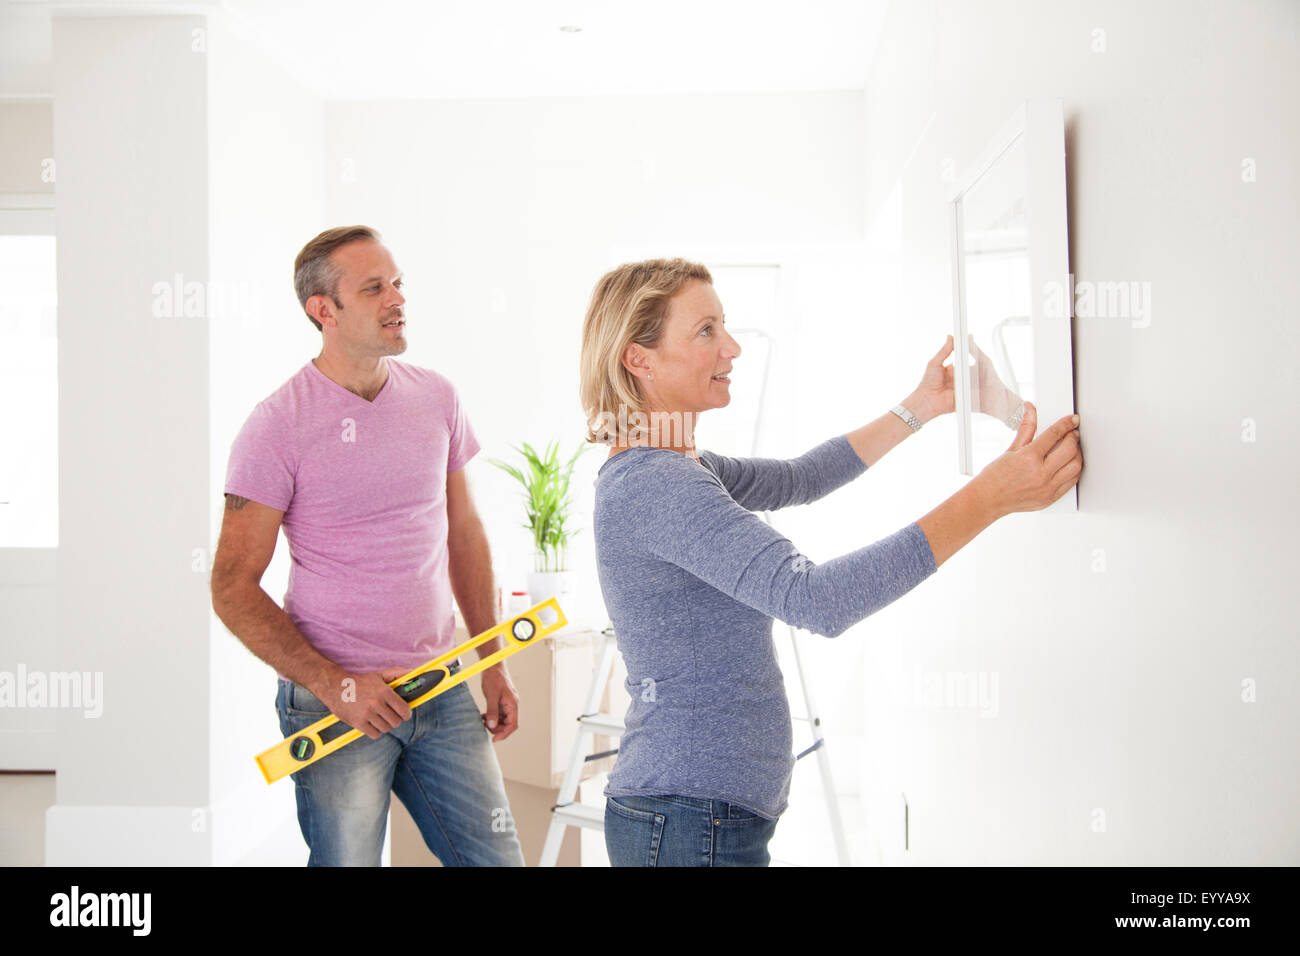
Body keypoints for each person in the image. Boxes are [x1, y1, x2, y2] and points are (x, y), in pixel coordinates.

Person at [579, 258, 1082, 867]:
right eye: (706, 330)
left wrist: (920, 407)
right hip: (687, 820)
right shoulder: (656, 484)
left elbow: (803, 477)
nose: (732, 347)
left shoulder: (682, 468)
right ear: (641, 358)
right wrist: (989, 499)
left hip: (694, 816)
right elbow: (815, 598)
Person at [211, 226, 524, 866]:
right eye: (374, 287)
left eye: (398, 282)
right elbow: (231, 586)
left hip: (440, 683)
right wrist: (335, 685)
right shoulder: (276, 426)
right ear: (323, 310)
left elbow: (464, 535)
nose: (396, 299)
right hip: (337, 705)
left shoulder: (437, 397)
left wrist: (492, 660)